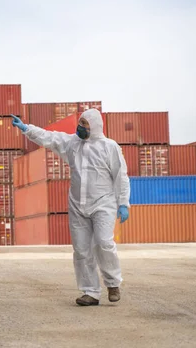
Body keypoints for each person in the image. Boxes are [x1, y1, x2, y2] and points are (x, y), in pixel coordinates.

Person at [11, 109, 130, 306]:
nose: (80, 127)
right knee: (82, 250)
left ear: (95, 126)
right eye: (80, 123)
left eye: (85, 124)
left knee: (103, 242)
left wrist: (123, 202)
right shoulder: (72, 143)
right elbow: (49, 138)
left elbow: (121, 176)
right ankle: (90, 292)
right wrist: (26, 129)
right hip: (77, 204)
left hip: (103, 203)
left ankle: (112, 283)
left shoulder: (109, 147)